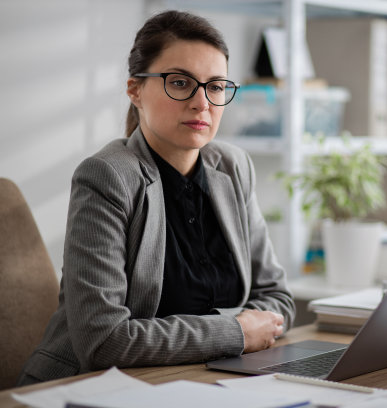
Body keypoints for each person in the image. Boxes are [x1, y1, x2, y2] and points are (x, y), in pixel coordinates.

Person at [17, 10, 295, 385]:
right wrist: (235, 332)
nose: (202, 103)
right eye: (180, 83)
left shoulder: (233, 167)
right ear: (135, 90)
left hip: (203, 380)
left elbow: (277, 298)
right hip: (87, 388)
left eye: (216, 86)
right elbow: (105, 341)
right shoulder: (107, 176)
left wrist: (238, 332)